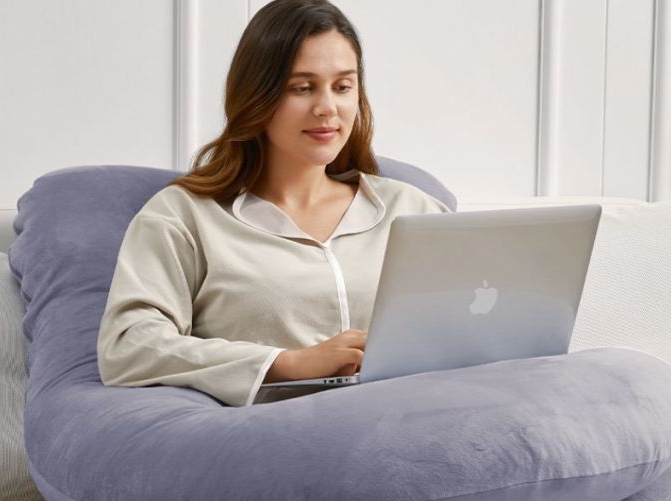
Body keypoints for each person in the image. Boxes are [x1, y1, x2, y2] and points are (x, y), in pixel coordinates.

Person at [96, 0, 450, 406]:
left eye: (343, 87)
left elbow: (473, 322)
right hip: (272, 442)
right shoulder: (183, 216)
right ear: (257, 96)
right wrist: (285, 363)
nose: (327, 109)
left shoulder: (412, 209)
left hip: (411, 426)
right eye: (302, 87)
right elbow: (128, 347)